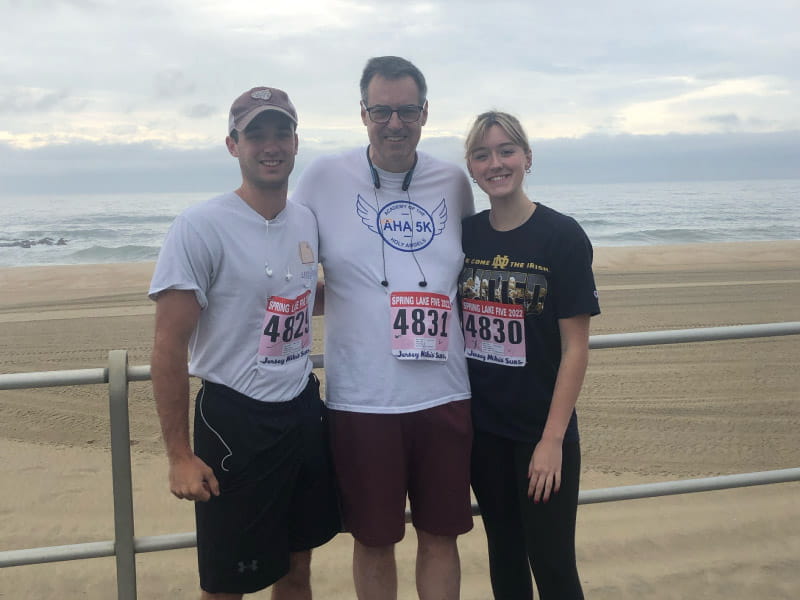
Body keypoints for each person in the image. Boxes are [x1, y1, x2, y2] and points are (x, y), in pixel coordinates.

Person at [292, 56, 475, 599]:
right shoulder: (324, 177)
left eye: (407, 110)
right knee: (373, 541)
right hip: (363, 400)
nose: (395, 123)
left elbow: (470, 273)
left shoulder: (454, 182)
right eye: (381, 111)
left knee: (442, 536)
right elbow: (290, 264)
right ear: (363, 113)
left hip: (445, 392)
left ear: (425, 112)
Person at [149, 86, 340, 599]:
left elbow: (296, 293)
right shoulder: (200, 226)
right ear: (233, 145)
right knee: (225, 584)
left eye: (281, 133)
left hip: (301, 411)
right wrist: (178, 455)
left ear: (297, 143)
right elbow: (168, 346)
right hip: (233, 419)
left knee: (297, 569)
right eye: (256, 134)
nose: (270, 145)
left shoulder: (306, 220)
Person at [459, 111, 600, 600]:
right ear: (472, 167)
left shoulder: (561, 236)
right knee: (505, 557)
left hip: (542, 433)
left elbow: (575, 347)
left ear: (527, 157)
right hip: (484, 433)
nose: (495, 163)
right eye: (482, 154)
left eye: (505, 151)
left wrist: (552, 440)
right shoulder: (465, 235)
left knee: (553, 564)